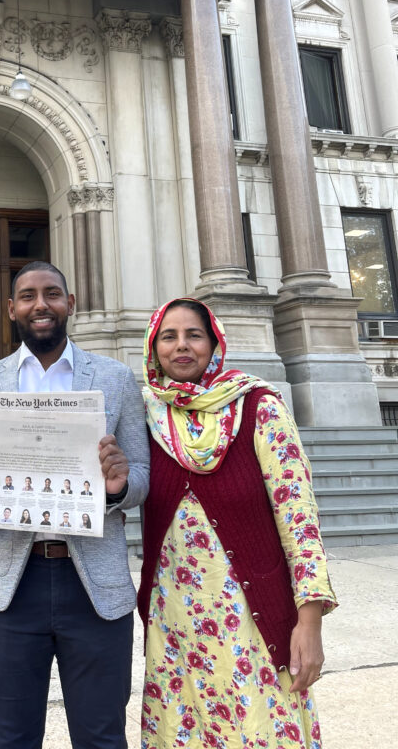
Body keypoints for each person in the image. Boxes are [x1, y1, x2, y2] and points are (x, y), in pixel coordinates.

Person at [0, 261, 150, 749]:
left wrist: (119, 485)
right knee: (12, 737)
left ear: (70, 304)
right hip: (10, 590)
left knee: (102, 735)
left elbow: (142, 479)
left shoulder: (116, 379)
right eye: (28, 296)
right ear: (12, 309)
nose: (41, 304)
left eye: (52, 294)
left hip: (95, 590)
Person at [137, 297, 337, 749]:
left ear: (214, 343)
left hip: (253, 620)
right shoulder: (146, 415)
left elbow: (299, 519)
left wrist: (310, 624)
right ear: (154, 348)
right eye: (168, 336)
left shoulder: (258, 407)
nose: (182, 346)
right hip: (176, 628)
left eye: (194, 335)